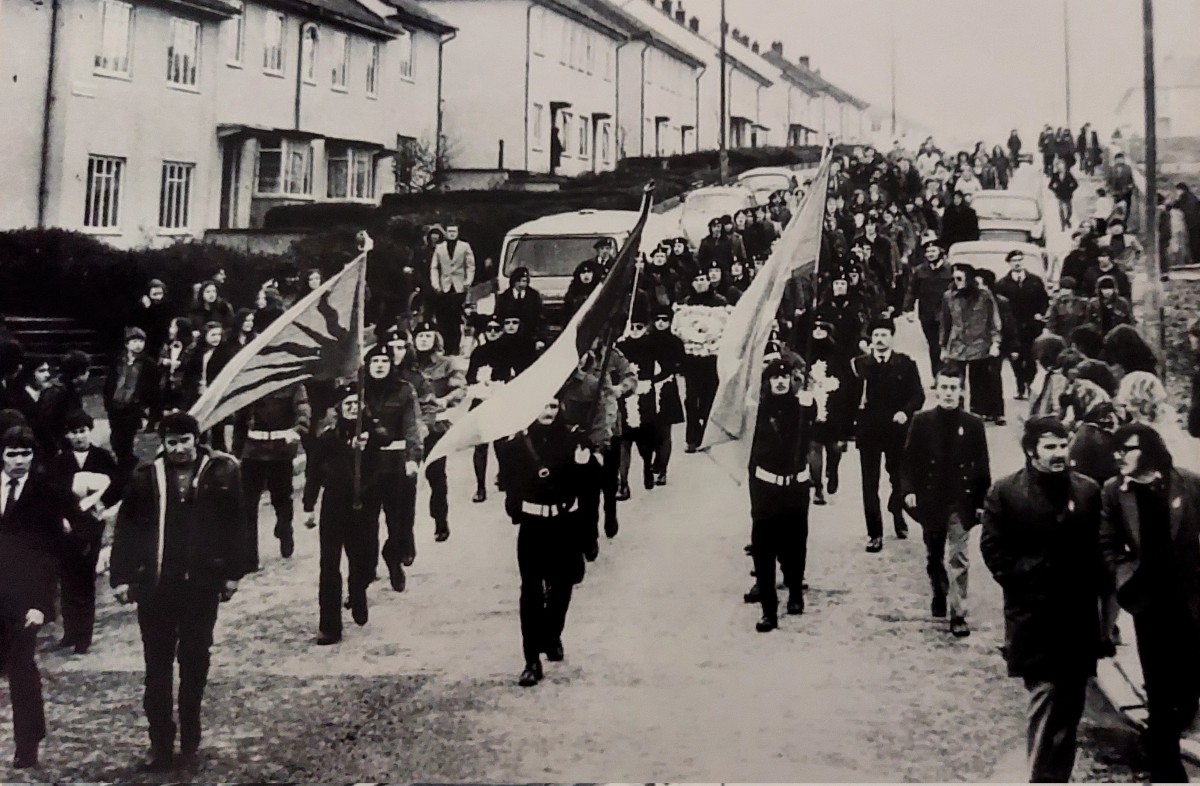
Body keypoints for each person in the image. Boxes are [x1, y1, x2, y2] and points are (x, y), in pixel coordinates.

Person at [110, 412, 247, 771]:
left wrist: (234, 573)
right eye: (172, 442)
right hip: (156, 586)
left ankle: (190, 732)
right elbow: (127, 529)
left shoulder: (221, 473)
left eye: (185, 440)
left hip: (201, 586)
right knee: (156, 667)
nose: (179, 448)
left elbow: (238, 523)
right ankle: (160, 742)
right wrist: (121, 577)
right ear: (163, 444)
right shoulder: (144, 478)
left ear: (196, 439)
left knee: (195, 659)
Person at [980, 416, 1105, 784]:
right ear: (1032, 450)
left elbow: (1100, 549)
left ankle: (1057, 778)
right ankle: (1037, 778)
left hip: (1078, 618)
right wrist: (1032, 577)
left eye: (1063, 445)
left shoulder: (1087, 491)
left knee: (1070, 709)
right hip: (1034, 618)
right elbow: (993, 551)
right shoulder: (1006, 492)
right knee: (1045, 701)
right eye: (1050, 446)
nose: (1059, 454)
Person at [1099, 423, 1200, 783]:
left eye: (1126, 449)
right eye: (1116, 450)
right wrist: (1126, 574)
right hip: (1150, 603)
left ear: (1150, 451)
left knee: (1189, 684)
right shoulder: (1114, 492)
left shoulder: (1187, 483)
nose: (1118, 457)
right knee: (1158, 684)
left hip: (1191, 598)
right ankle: (1167, 769)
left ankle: (1171, 730)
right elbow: (1107, 544)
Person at [0, 425, 79, 769]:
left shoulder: (46, 492)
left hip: (24, 596)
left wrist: (42, 605)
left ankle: (27, 744)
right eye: (12, 453)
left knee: (21, 669)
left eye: (26, 454)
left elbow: (52, 554)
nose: (19, 461)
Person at [497, 397, 590, 687]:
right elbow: (508, 482)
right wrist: (516, 507)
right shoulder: (516, 443)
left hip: (565, 523)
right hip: (533, 526)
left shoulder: (574, 438)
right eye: (541, 406)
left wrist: (583, 465)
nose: (547, 412)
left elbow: (588, 487)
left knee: (563, 584)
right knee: (531, 591)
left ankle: (552, 634)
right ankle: (531, 660)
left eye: (552, 406)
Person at [902, 367, 990, 638]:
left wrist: (980, 501)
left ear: (961, 391)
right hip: (931, 499)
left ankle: (958, 613)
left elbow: (982, 466)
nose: (949, 393)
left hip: (959, 501)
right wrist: (909, 490)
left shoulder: (973, 424)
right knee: (934, 554)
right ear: (936, 390)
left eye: (954, 388)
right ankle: (939, 590)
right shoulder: (922, 421)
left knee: (959, 557)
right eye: (945, 388)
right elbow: (908, 461)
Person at [301, 383, 385, 645]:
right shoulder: (327, 439)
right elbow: (313, 472)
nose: (351, 408)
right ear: (338, 409)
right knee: (329, 565)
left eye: (356, 404)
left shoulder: (373, 434)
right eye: (346, 404)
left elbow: (387, 439)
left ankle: (358, 591)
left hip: (364, 505)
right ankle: (329, 626)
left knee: (362, 558)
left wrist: (369, 439)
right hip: (334, 506)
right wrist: (308, 506)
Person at [45, 410, 122, 654]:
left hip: (92, 523)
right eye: (73, 432)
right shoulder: (60, 461)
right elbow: (54, 492)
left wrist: (100, 506)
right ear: (67, 435)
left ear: (90, 431)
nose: (78, 437)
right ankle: (69, 631)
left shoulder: (103, 457)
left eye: (82, 431)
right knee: (67, 578)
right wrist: (63, 517)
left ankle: (84, 636)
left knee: (85, 578)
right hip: (68, 525)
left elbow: (117, 486)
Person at [748, 359, 816, 632]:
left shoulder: (801, 407)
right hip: (766, 486)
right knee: (763, 549)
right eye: (775, 377)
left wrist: (811, 408)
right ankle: (768, 610)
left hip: (795, 487)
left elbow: (816, 430)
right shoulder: (757, 411)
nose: (780, 382)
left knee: (795, 543)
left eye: (784, 377)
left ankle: (796, 591)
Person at [848, 318, 926, 553]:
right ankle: (875, 533)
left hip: (897, 431)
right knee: (869, 484)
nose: (880, 339)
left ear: (892, 337)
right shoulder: (858, 365)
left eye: (884, 335)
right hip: (869, 432)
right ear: (871, 339)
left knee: (899, 478)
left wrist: (905, 412)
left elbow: (918, 396)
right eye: (876, 335)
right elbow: (848, 398)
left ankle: (897, 509)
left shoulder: (905, 364)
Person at [359, 345, 423, 591]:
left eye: (384, 361)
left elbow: (412, 427)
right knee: (365, 523)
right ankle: (364, 572)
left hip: (396, 465)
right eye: (374, 361)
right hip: (366, 466)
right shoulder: (358, 390)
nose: (379, 365)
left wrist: (412, 458)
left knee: (399, 522)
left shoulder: (404, 390)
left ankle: (393, 558)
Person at [235, 382, 310, 570]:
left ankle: (285, 529)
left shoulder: (291, 384)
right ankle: (249, 558)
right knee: (248, 505)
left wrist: (300, 427)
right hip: (253, 451)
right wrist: (237, 450)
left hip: (280, 450)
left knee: (282, 499)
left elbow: (302, 407)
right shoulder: (252, 382)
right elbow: (240, 416)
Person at [411, 322, 465, 542]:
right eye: (419, 336)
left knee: (436, 475)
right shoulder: (407, 364)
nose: (423, 340)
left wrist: (446, 400)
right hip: (410, 426)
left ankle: (440, 520)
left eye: (427, 335)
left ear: (435, 339)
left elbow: (460, 388)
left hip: (435, 426)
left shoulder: (446, 363)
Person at [940, 263, 1003, 423]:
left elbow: (993, 320)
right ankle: (956, 411)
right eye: (955, 278)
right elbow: (945, 323)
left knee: (979, 382)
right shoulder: (949, 296)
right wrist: (942, 346)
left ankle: (977, 413)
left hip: (979, 344)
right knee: (955, 380)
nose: (957, 281)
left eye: (960, 278)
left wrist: (995, 342)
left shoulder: (984, 295)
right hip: (957, 344)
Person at [993, 249, 1050, 401]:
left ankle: (1030, 383)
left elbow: (1044, 300)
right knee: (1015, 358)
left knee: (1031, 357)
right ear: (1009, 263)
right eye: (1014, 260)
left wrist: (1040, 313)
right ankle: (1020, 385)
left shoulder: (1034, 281)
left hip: (1032, 326)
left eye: (1020, 260)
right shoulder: (1002, 284)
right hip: (1013, 327)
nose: (1017, 263)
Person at [466, 318, 513, 503]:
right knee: (480, 446)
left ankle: (504, 476)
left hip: (500, 400)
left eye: (496, 329)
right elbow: (469, 376)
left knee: (502, 444)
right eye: (489, 329)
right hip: (481, 400)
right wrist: (480, 382)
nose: (492, 332)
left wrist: (500, 386)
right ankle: (480, 487)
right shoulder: (478, 352)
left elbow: (513, 374)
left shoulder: (507, 350)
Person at [104, 327, 159, 476]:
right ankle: (126, 462)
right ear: (127, 344)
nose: (138, 345)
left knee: (126, 439)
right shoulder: (118, 361)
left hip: (132, 408)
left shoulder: (148, 364)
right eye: (134, 341)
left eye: (141, 341)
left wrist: (151, 416)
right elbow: (110, 382)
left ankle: (125, 467)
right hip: (115, 406)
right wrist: (108, 402)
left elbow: (154, 391)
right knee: (116, 437)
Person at [903, 241, 955, 381]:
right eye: (928, 252)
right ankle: (937, 375)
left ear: (941, 252)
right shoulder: (920, 271)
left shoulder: (950, 271)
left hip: (947, 314)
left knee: (948, 344)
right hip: (927, 314)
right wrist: (908, 309)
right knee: (933, 345)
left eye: (933, 251)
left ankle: (951, 375)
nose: (930, 254)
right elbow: (912, 291)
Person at [430, 224, 476, 355]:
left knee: (456, 317)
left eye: (454, 231)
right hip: (444, 287)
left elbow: (470, 265)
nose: (451, 233)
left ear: (458, 232)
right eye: (449, 231)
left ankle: (455, 345)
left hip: (459, 286)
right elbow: (434, 267)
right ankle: (447, 345)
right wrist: (436, 284)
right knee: (444, 318)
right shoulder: (440, 248)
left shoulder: (464, 246)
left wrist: (468, 281)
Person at [495, 266, 544, 341]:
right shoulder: (504, 297)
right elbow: (499, 316)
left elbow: (539, 317)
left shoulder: (533, 296)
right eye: (520, 281)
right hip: (509, 337)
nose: (522, 284)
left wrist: (539, 338)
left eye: (525, 281)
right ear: (514, 281)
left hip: (529, 336)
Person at [1048, 158, 1078, 230]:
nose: (1060, 168)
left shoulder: (1068, 174)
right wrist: (1055, 190)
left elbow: (1076, 184)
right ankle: (1063, 225)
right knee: (1061, 210)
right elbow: (1050, 186)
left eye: (1062, 166)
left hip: (1068, 195)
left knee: (1069, 210)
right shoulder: (1055, 175)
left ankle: (1067, 220)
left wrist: (1071, 190)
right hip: (1060, 195)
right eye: (1059, 166)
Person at [1106, 152, 1136, 217]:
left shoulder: (1128, 168)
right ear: (1115, 160)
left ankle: (1125, 222)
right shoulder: (1112, 169)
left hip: (1126, 192)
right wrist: (1110, 189)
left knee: (1127, 209)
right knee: (1117, 208)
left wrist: (1130, 187)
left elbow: (1131, 180)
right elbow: (1108, 181)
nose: (1120, 161)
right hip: (1116, 193)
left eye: (1121, 159)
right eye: (1118, 159)